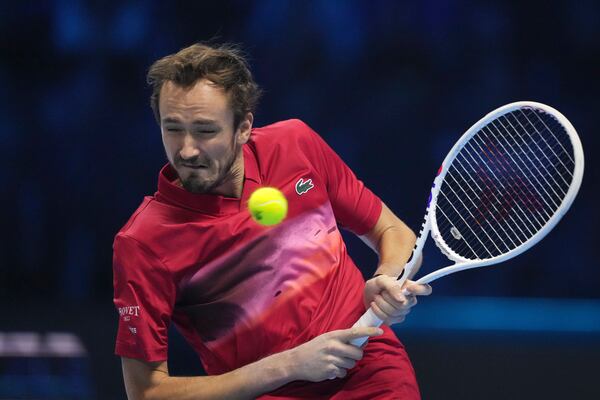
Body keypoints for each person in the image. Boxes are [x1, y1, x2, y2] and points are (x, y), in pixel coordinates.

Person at [113, 42, 432, 400]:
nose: (186, 149)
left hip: (371, 371)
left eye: (205, 131)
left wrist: (385, 278)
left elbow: (392, 230)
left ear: (244, 126)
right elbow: (146, 393)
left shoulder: (296, 145)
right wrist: (290, 364)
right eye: (173, 129)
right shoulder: (144, 242)